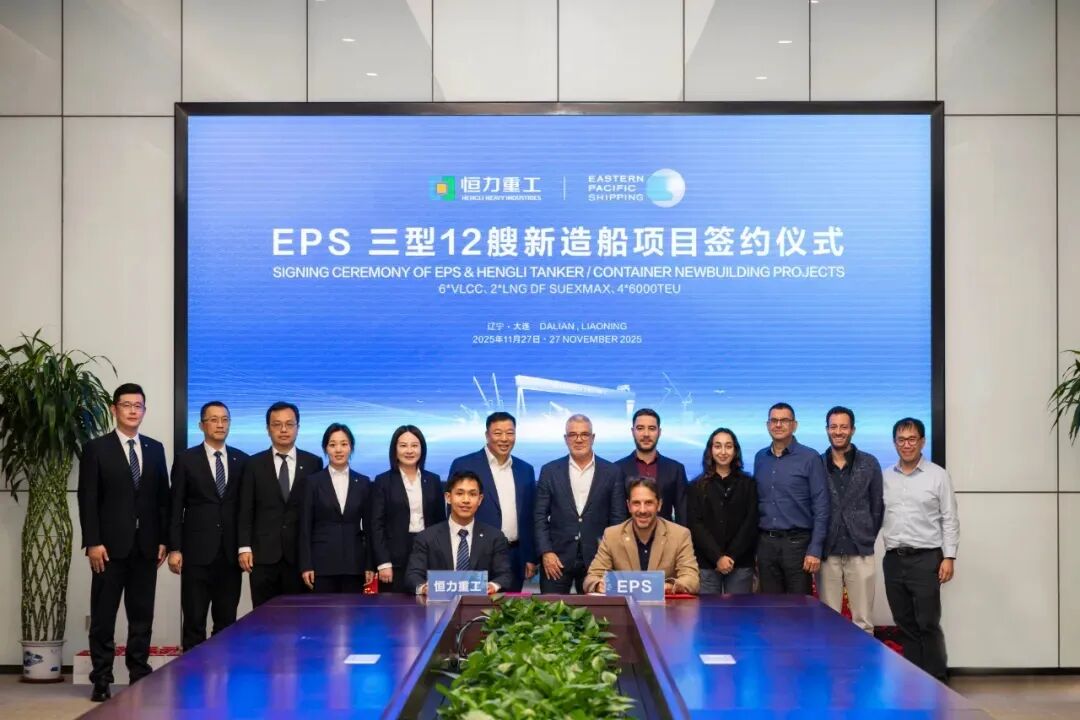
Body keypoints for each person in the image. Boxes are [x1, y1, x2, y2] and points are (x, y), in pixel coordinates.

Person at [77, 383, 169, 702]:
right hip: (108, 549)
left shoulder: (155, 449)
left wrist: (163, 539)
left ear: (144, 410)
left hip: (146, 547)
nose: (132, 410)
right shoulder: (96, 449)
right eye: (126, 405)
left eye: (138, 405)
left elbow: (162, 499)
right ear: (114, 409)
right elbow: (88, 499)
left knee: (142, 616)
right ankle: (101, 678)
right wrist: (92, 542)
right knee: (103, 617)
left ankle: (139, 674)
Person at [167, 401, 249, 652]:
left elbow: (245, 509)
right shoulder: (186, 460)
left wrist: (245, 546)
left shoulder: (242, 460)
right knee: (194, 621)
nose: (220, 424)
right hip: (196, 554)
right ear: (201, 425)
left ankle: (223, 670)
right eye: (213, 419)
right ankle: (193, 673)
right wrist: (174, 548)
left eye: (225, 419)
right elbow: (175, 506)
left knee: (227, 622)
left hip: (230, 554)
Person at [882, 417, 959, 682]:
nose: (907, 445)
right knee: (904, 624)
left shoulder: (938, 475)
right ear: (895, 443)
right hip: (894, 560)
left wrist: (949, 556)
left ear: (922, 441)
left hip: (926, 559)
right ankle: (914, 682)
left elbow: (950, 518)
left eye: (912, 439)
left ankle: (937, 681)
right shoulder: (885, 477)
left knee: (927, 623)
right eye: (901, 440)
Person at [237, 401, 323, 606]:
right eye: (277, 424)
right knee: (263, 617)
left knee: (299, 616)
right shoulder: (253, 464)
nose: (283, 430)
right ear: (268, 429)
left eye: (289, 424)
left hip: (299, 557)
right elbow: (245, 508)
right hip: (263, 555)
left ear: (298, 427)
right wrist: (244, 547)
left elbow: (316, 513)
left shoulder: (313, 463)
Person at [534, 414, 627, 594]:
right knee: (549, 610)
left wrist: (609, 556)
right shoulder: (549, 471)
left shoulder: (612, 472)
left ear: (593, 438)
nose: (579, 439)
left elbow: (618, 519)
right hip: (556, 560)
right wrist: (546, 552)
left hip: (598, 561)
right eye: (573, 435)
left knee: (597, 612)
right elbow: (539, 516)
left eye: (584, 434)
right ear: (565, 439)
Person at [448, 411, 536, 591]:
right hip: (473, 554)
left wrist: (530, 556)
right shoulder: (464, 464)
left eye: (510, 433)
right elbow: (452, 511)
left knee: (510, 607)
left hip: (514, 556)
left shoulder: (525, 469)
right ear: (487, 435)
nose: (504, 438)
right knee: (473, 605)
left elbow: (530, 516)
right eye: (498, 433)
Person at [817, 406, 884, 634]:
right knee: (828, 622)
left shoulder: (869, 463)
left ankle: (862, 659)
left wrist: (865, 535)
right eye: (833, 427)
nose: (838, 432)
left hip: (860, 550)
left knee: (863, 622)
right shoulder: (816, 463)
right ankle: (830, 659)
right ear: (827, 429)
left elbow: (877, 507)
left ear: (853, 430)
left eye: (843, 427)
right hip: (827, 552)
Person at [754, 402, 830, 594]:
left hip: (798, 545)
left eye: (784, 420)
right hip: (766, 545)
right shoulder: (760, 458)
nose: (778, 425)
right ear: (767, 425)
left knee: (799, 607)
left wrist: (815, 549)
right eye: (774, 420)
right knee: (770, 606)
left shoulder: (810, 457)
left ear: (794, 425)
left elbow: (821, 506)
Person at [584, 477, 699, 594]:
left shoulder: (680, 535)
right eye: (636, 503)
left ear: (659, 505)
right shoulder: (612, 535)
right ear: (629, 506)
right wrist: (599, 585)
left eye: (648, 503)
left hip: (665, 604)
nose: (642, 510)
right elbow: (591, 578)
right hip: (626, 604)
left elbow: (692, 580)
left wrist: (669, 587)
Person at [405, 470, 513, 594]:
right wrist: (424, 588)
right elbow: (413, 575)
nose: (466, 500)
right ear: (448, 497)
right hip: (438, 602)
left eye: (472, 494)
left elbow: (505, 575)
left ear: (480, 499)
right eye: (460, 493)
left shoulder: (495, 537)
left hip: (479, 603)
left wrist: (493, 586)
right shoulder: (426, 537)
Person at [299, 423, 374, 592]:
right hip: (321, 564)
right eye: (332, 445)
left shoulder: (363, 483)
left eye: (344, 444)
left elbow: (370, 527)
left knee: (353, 608)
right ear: (325, 448)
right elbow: (305, 527)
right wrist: (306, 564)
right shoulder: (313, 482)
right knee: (323, 609)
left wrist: (369, 564)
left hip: (354, 564)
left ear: (351, 447)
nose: (338, 450)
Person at [371, 425, 445, 592]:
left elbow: (441, 523)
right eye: (403, 445)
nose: (409, 450)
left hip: (428, 555)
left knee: (428, 602)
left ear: (422, 449)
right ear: (395, 449)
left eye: (414, 445)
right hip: (394, 559)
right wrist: (383, 563)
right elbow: (376, 525)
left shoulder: (433, 480)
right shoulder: (383, 481)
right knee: (395, 606)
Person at [686, 428, 758, 594]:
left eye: (728, 446)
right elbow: (695, 525)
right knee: (709, 610)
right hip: (707, 563)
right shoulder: (696, 486)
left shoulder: (748, 484)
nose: (723, 452)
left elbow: (750, 523)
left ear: (735, 450)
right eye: (718, 446)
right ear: (710, 450)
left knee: (739, 609)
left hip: (740, 562)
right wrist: (718, 557)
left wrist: (731, 556)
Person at [615, 408, 689, 524]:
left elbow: (683, 515)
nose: (646, 434)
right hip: (627, 535)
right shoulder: (617, 469)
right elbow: (615, 515)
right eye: (640, 428)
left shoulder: (676, 469)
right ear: (633, 431)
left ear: (659, 432)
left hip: (666, 534)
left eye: (652, 428)